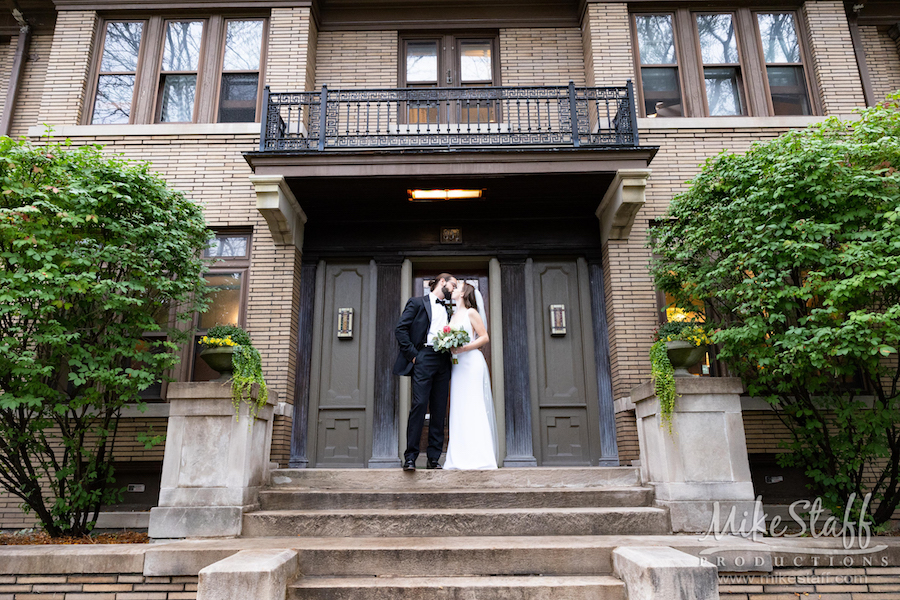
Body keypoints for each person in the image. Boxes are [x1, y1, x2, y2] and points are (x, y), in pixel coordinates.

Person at [393, 273, 458, 471]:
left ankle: (433, 459)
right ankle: (410, 458)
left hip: (443, 360)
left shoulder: (448, 309)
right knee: (419, 405)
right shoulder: (417, 303)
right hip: (423, 357)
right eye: (453, 285)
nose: (454, 289)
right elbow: (400, 330)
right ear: (442, 282)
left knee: (439, 410)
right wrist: (414, 356)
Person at [443, 282, 498, 470]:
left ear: (464, 293)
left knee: (474, 404)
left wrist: (465, 347)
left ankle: (480, 456)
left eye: (456, 288)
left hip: (472, 363)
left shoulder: (471, 313)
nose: (453, 290)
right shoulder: (453, 315)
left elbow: (484, 337)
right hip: (457, 365)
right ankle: (459, 456)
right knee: (459, 405)